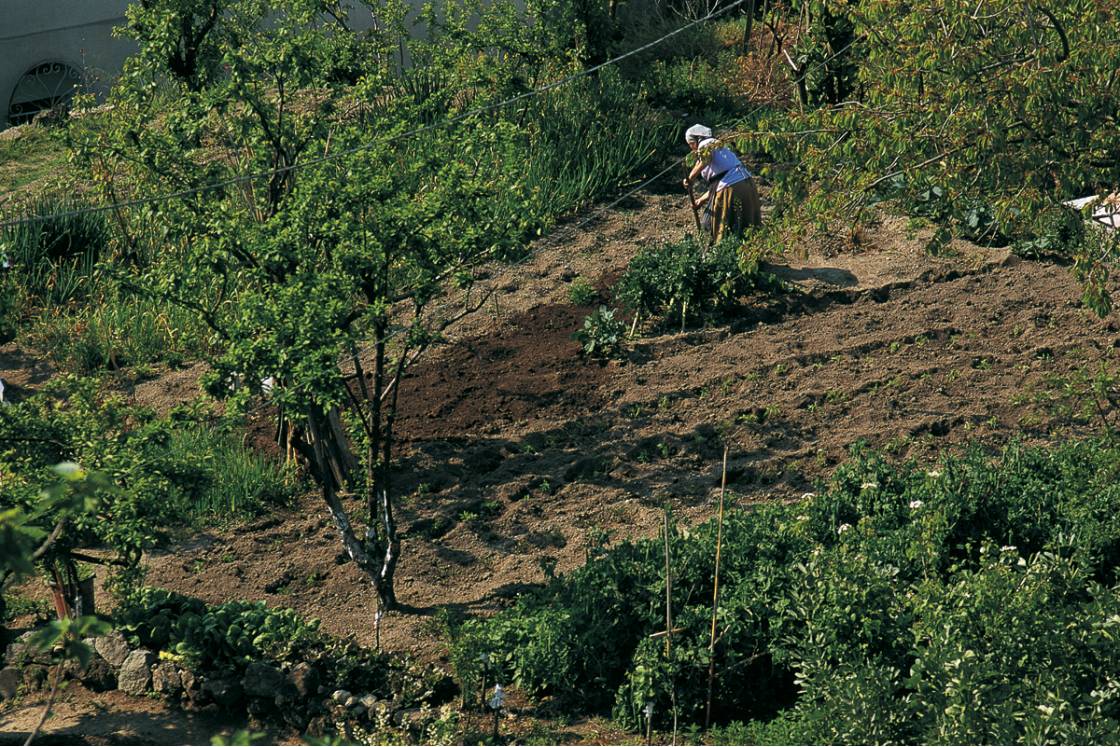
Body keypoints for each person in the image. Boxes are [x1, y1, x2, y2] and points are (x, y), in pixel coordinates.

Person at [681, 124, 761, 242]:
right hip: (746, 184)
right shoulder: (719, 147)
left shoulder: (706, 144)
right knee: (744, 223)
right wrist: (701, 200)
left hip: (732, 188)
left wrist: (690, 178)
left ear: (697, 139)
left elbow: (705, 160)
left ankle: (715, 254)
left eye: (691, 144)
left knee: (712, 224)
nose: (692, 148)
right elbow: (720, 182)